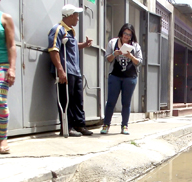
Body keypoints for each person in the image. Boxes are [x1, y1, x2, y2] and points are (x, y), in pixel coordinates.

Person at [48, 4, 93, 137]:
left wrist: (83, 45)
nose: (78, 18)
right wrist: (60, 70)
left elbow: (71, 47)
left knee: (77, 99)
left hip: (75, 70)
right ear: (70, 15)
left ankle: (80, 124)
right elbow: (53, 50)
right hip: (66, 70)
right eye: (76, 15)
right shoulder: (58, 29)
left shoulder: (71, 32)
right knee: (65, 99)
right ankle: (67, 127)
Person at [100, 24, 142, 135]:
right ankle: (106, 124)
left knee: (126, 103)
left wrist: (131, 57)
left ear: (132, 36)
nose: (126, 36)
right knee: (111, 101)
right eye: (125, 33)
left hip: (130, 77)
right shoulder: (113, 42)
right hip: (115, 76)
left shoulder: (135, 46)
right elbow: (107, 59)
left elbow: (139, 62)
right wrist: (115, 53)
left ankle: (125, 126)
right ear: (121, 33)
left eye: (129, 34)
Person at [0, 2, 16, 154]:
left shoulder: (4, 18)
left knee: (0, 101)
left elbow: (11, 45)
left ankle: (2, 138)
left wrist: (12, 68)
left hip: (2, 65)